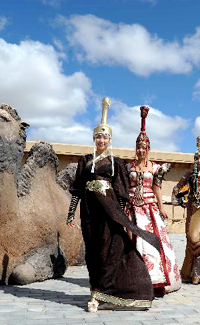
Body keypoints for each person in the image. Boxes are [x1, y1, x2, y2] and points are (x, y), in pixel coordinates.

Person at [67, 97, 159, 312]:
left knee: (111, 248)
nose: (101, 140)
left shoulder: (116, 163)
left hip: (109, 211)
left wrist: (122, 215)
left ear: (110, 140)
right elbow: (77, 189)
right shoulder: (84, 161)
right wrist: (71, 214)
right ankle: (94, 289)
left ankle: (104, 292)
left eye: (105, 137)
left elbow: (120, 191)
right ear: (94, 138)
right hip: (89, 210)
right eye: (98, 136)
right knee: (92, 250)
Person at [125, 106, 181, 296]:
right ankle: (131, 278)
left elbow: (157, 187)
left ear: (148, 149)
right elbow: (124, 187)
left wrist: (161, 206)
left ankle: (154, 279)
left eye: (144, 147)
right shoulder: (127, 167)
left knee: (151, 242)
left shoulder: (156, 168)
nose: (141, 150)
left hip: (149, 208)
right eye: (138, 147)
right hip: (132, 206)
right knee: (130, 241)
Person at [172, 135, 200, 284]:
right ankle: (192, 271)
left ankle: (198, 273)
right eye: (196, 158)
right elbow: (177, 188)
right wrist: (181, 200)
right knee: (192, 238)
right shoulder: (189, 175)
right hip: (193, 210)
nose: (199, 161)